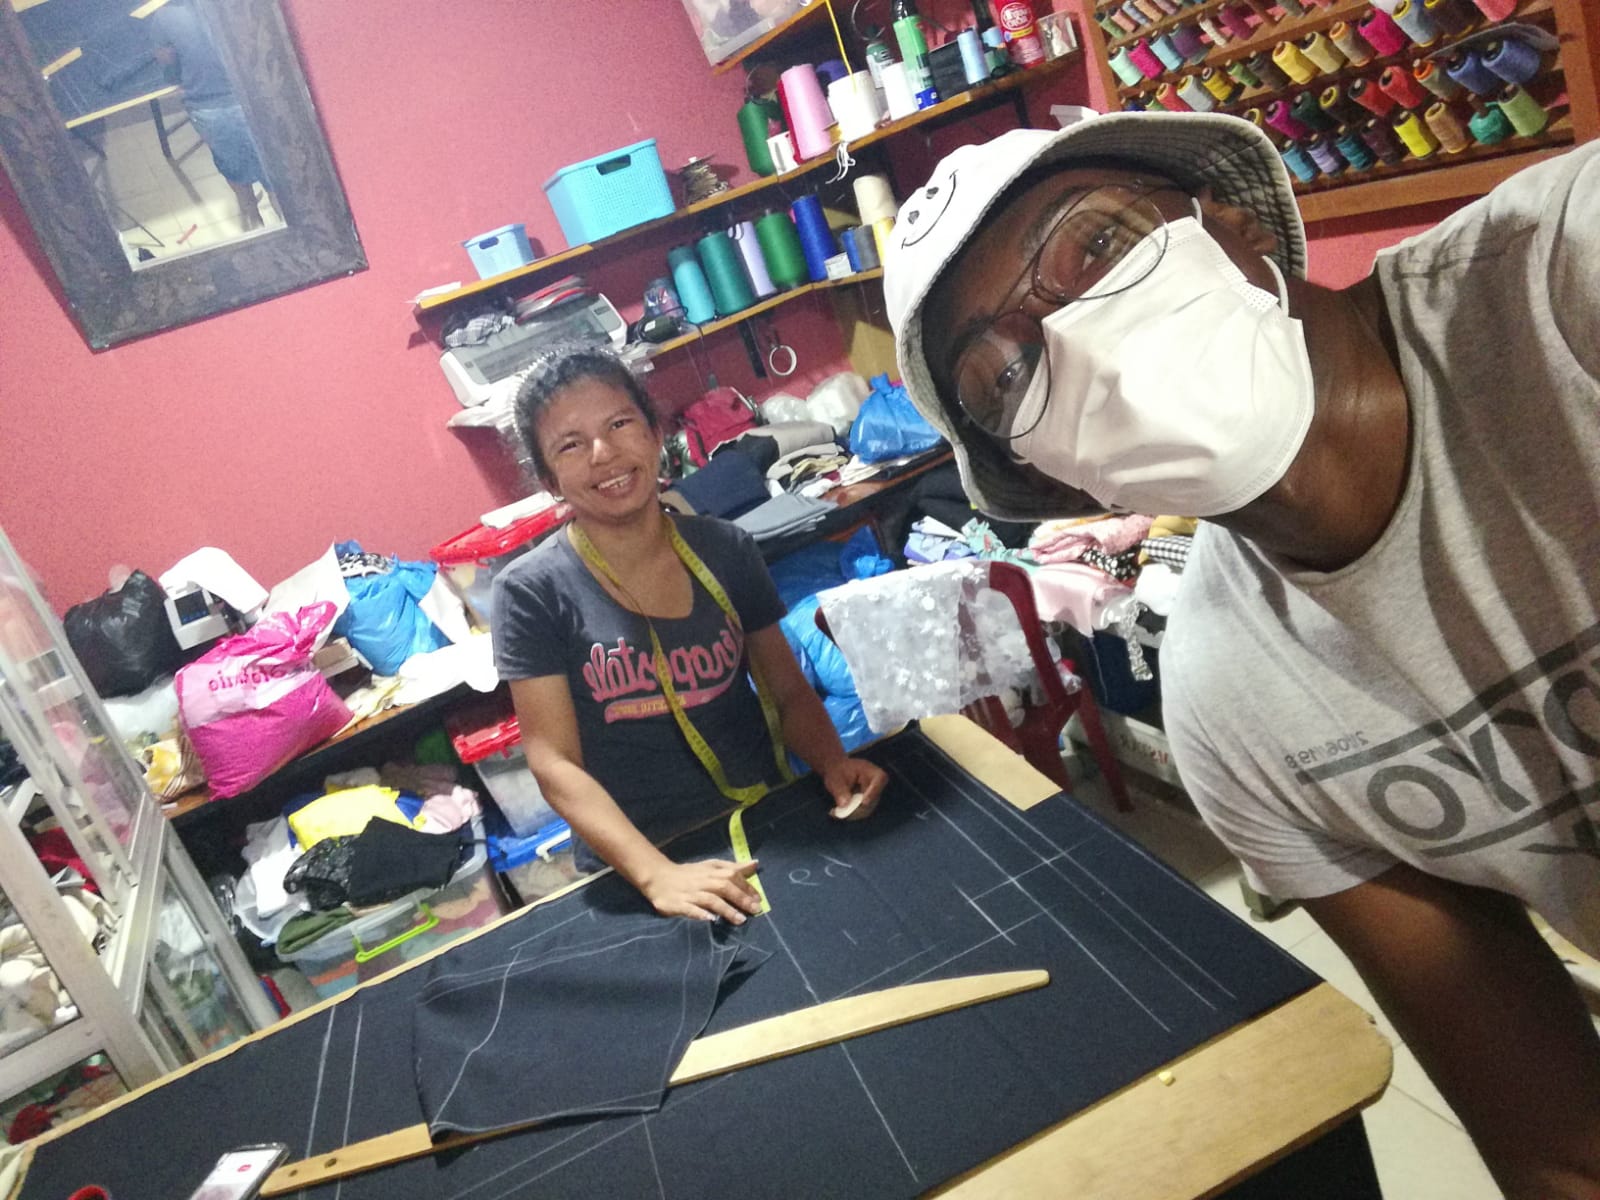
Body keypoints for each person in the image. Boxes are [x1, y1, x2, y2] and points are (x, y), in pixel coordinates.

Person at [880, 112, 1600, 1197]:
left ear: (1234, 226)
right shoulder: (1236, 713)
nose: (1080, 339)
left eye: (1097, 244)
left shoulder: (1565, 281)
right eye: (1008, 375)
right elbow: (1561, 1147)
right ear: (1055, 480)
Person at [491, 349, 888, 925]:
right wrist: (657, 875)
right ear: (549, 479)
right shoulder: (531, 591)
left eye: (619, 424)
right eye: (570, 445)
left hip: (763, 824)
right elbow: (554, 762)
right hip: (637, 863)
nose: (604, 453)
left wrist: (833, 763)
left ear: (656, 434)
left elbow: (787, 691)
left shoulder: (726, 549)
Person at [147, 0, 275, 231]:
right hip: (252, 99)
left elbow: (166, 60)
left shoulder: (164, 17)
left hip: (208, 107)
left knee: (233, 167)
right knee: (273, 173)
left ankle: (253, 219)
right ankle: (289, 222)